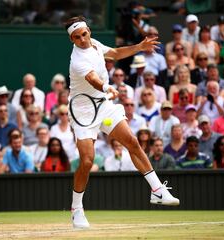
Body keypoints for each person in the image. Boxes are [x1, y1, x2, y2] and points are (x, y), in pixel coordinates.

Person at [65, 16, 179, 229]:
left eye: (84, 34)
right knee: (88, 161)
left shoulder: (95, 44)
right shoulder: (78, 60)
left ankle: (157, 190)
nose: (82, 39)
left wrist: (139, 46)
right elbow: (92, 79)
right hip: (82, 110)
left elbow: (116, 53)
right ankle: (76, 209)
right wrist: (106, 87)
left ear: (89, 31)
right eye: (77, 37)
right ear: (72, 40)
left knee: (132, 141)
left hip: (103, 104)